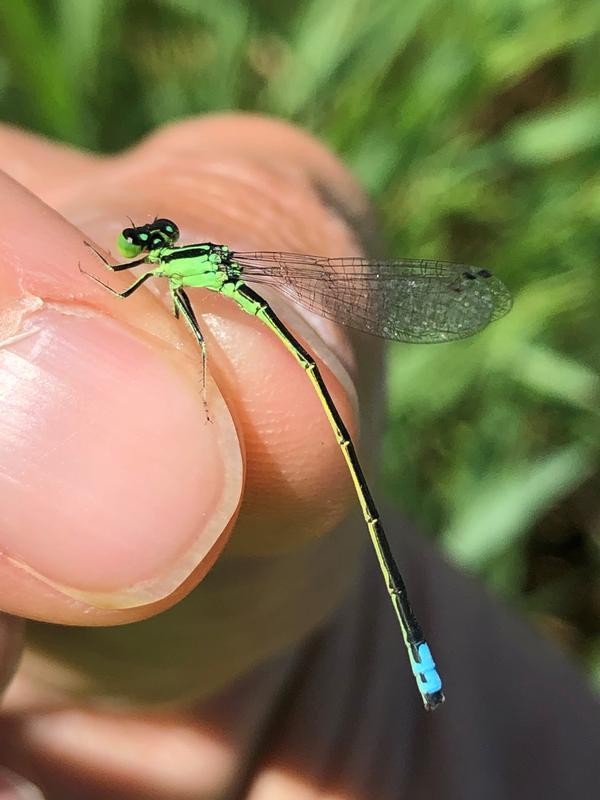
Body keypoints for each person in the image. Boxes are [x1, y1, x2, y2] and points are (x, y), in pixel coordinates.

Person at [0, 115, 598, 799]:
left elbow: (146, 295)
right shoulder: (168, 268)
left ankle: (408, 664)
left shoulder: (179, 270)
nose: (142, 247)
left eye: (150, 243)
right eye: (146, 243)